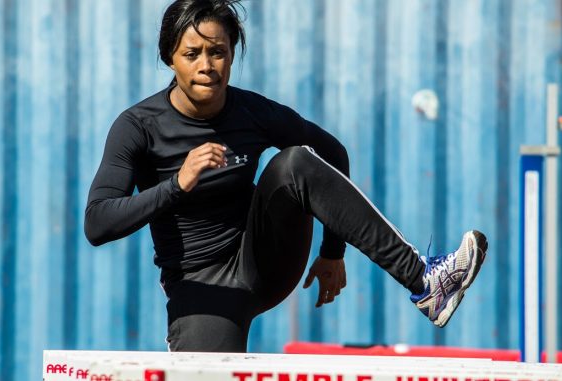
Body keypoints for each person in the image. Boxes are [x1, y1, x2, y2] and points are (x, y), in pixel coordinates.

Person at [84, 0, 488, 352]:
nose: (206, 66)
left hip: (263, 260)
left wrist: (333, 252)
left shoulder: (253, 113)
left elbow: (332, 153)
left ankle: (426, 283)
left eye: (218, 52)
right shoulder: (138, 127)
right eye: (192, 54)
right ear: (169, 58)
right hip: (199, 287)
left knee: (295, 162)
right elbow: (98, 223)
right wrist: (176, 185)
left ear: (232, 54)